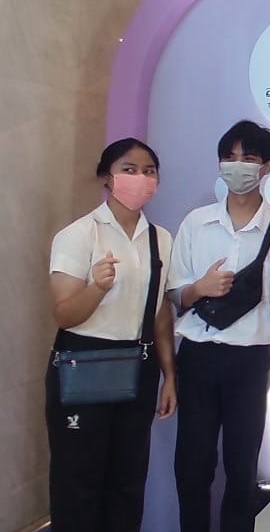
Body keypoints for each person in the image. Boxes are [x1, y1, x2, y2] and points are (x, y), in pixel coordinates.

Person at [167, 121, 270, 532]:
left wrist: (267, 362)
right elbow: (175, 295)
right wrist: (200, 288)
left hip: (251, 360)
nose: (237, 165)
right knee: (192, 463)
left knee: (243, 465)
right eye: (229, 157)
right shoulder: (196, 223)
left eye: (248, 158)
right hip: (198, 356)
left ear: (267, 166)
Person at [46, 138, 177, 531]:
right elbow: (64, 313)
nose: (140, 178)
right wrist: (97, 288)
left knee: (127, 481)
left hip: (138, 365)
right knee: (78, 481)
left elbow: (160, 313)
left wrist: (169, 375)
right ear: (107, 176)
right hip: (83, 363)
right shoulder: (79, 234)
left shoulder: (160, 239)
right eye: (129, 169)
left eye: (149, 171)